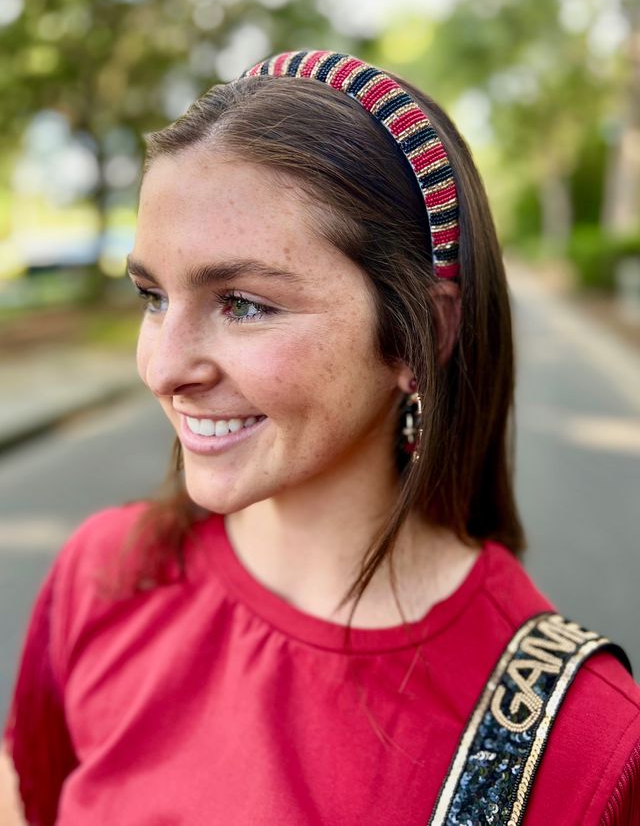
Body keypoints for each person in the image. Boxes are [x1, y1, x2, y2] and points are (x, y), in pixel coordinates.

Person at [3, 50, 639, 825]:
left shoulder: (583, 743)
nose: (163, 368)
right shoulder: (103, 576)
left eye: (242, 302)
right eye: (152, 295)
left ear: (418, 335)